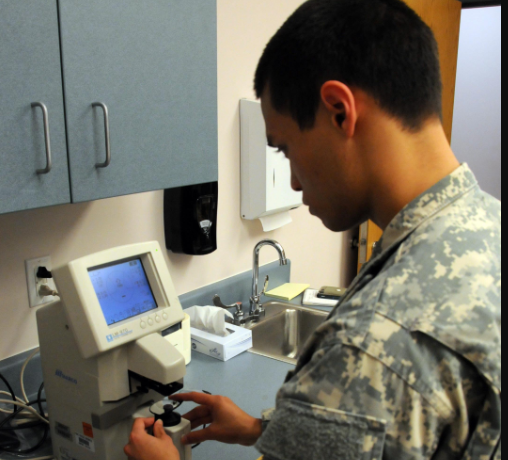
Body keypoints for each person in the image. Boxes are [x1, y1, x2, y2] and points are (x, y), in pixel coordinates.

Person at [125, 0, 502, 458]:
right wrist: (268, 429)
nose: (293, 181)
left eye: (285, 148)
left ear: (340, 111)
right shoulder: (486, 225)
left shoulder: (371, 341)